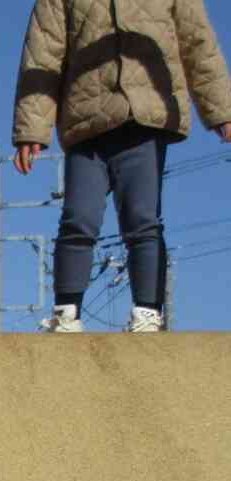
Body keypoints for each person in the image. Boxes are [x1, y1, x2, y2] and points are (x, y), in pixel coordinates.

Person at [12, 0, 231, 332]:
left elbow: (197, 42)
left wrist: (221, 111)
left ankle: (147, 312)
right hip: (87, 120)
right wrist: (31, 129)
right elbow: (43, 52)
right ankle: (66, 312)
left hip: (144, 116)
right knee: (78, 218)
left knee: (143, 220)